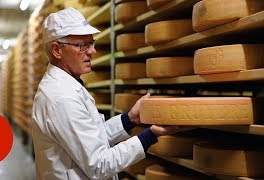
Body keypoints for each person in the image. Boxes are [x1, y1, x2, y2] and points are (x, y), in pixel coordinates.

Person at [31, 7, 185, 180]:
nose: (92, 51)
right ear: (56, 50)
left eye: (91, 43)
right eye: (82, 45)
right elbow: (100, 165)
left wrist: (129, 119)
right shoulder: (61, 98)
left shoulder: (67, 86)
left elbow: (91, 139)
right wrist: (151, 135)